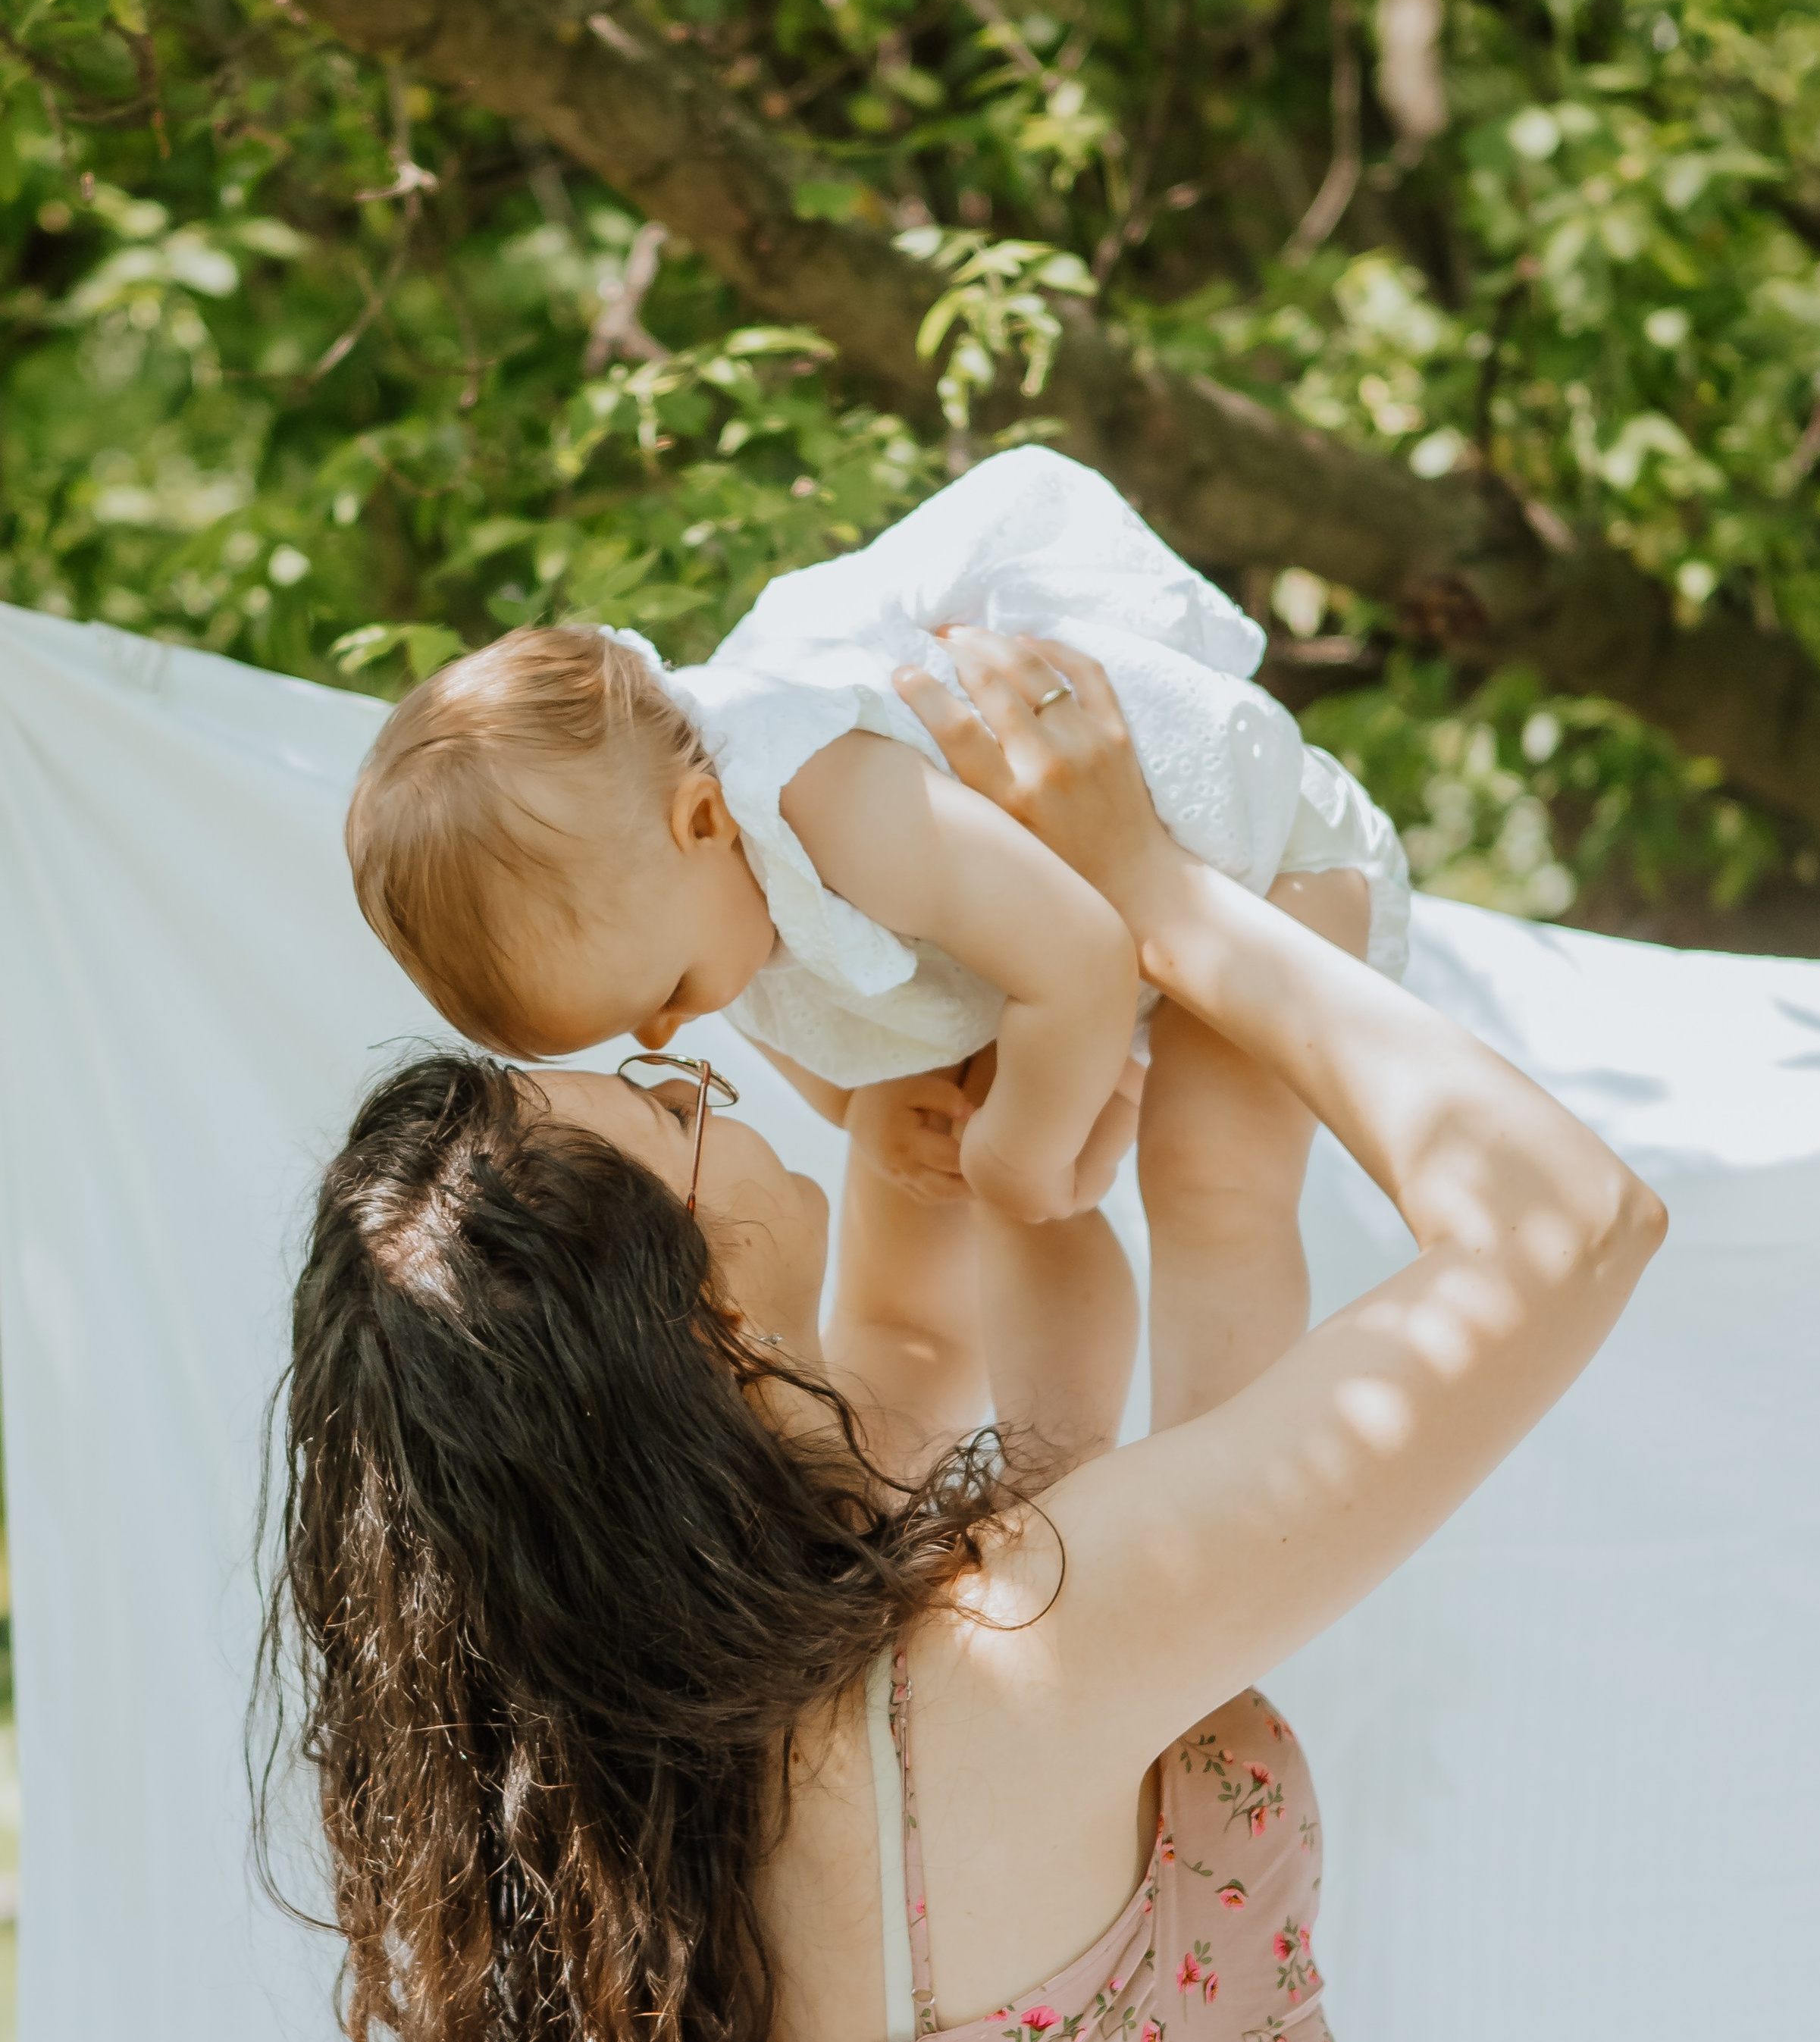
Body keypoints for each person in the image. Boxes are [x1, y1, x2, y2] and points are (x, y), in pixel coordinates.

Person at [264, 630, 1664, 2042]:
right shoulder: (1008, 1650)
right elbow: (1568, 1221)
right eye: (672, 1118)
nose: (710, 1088)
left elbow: (896, 1363)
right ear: (689, 1351)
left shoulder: (652, 1785)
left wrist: (942, 1078)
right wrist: (1161, 897)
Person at [343, 446, 1408, 1467]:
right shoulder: (691, 894)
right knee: (950, 1193)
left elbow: (1078, 955)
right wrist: (873, 1114)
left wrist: (1020, 1153)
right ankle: (1028, 1484)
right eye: (634, 1027)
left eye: (662, 997)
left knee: (1206, 1168)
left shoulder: (821, 784)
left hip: (1259, 871)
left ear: (708, 820)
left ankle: (1210, 1496)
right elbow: (853, 1025)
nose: (670, 1034)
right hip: (1055, 960)